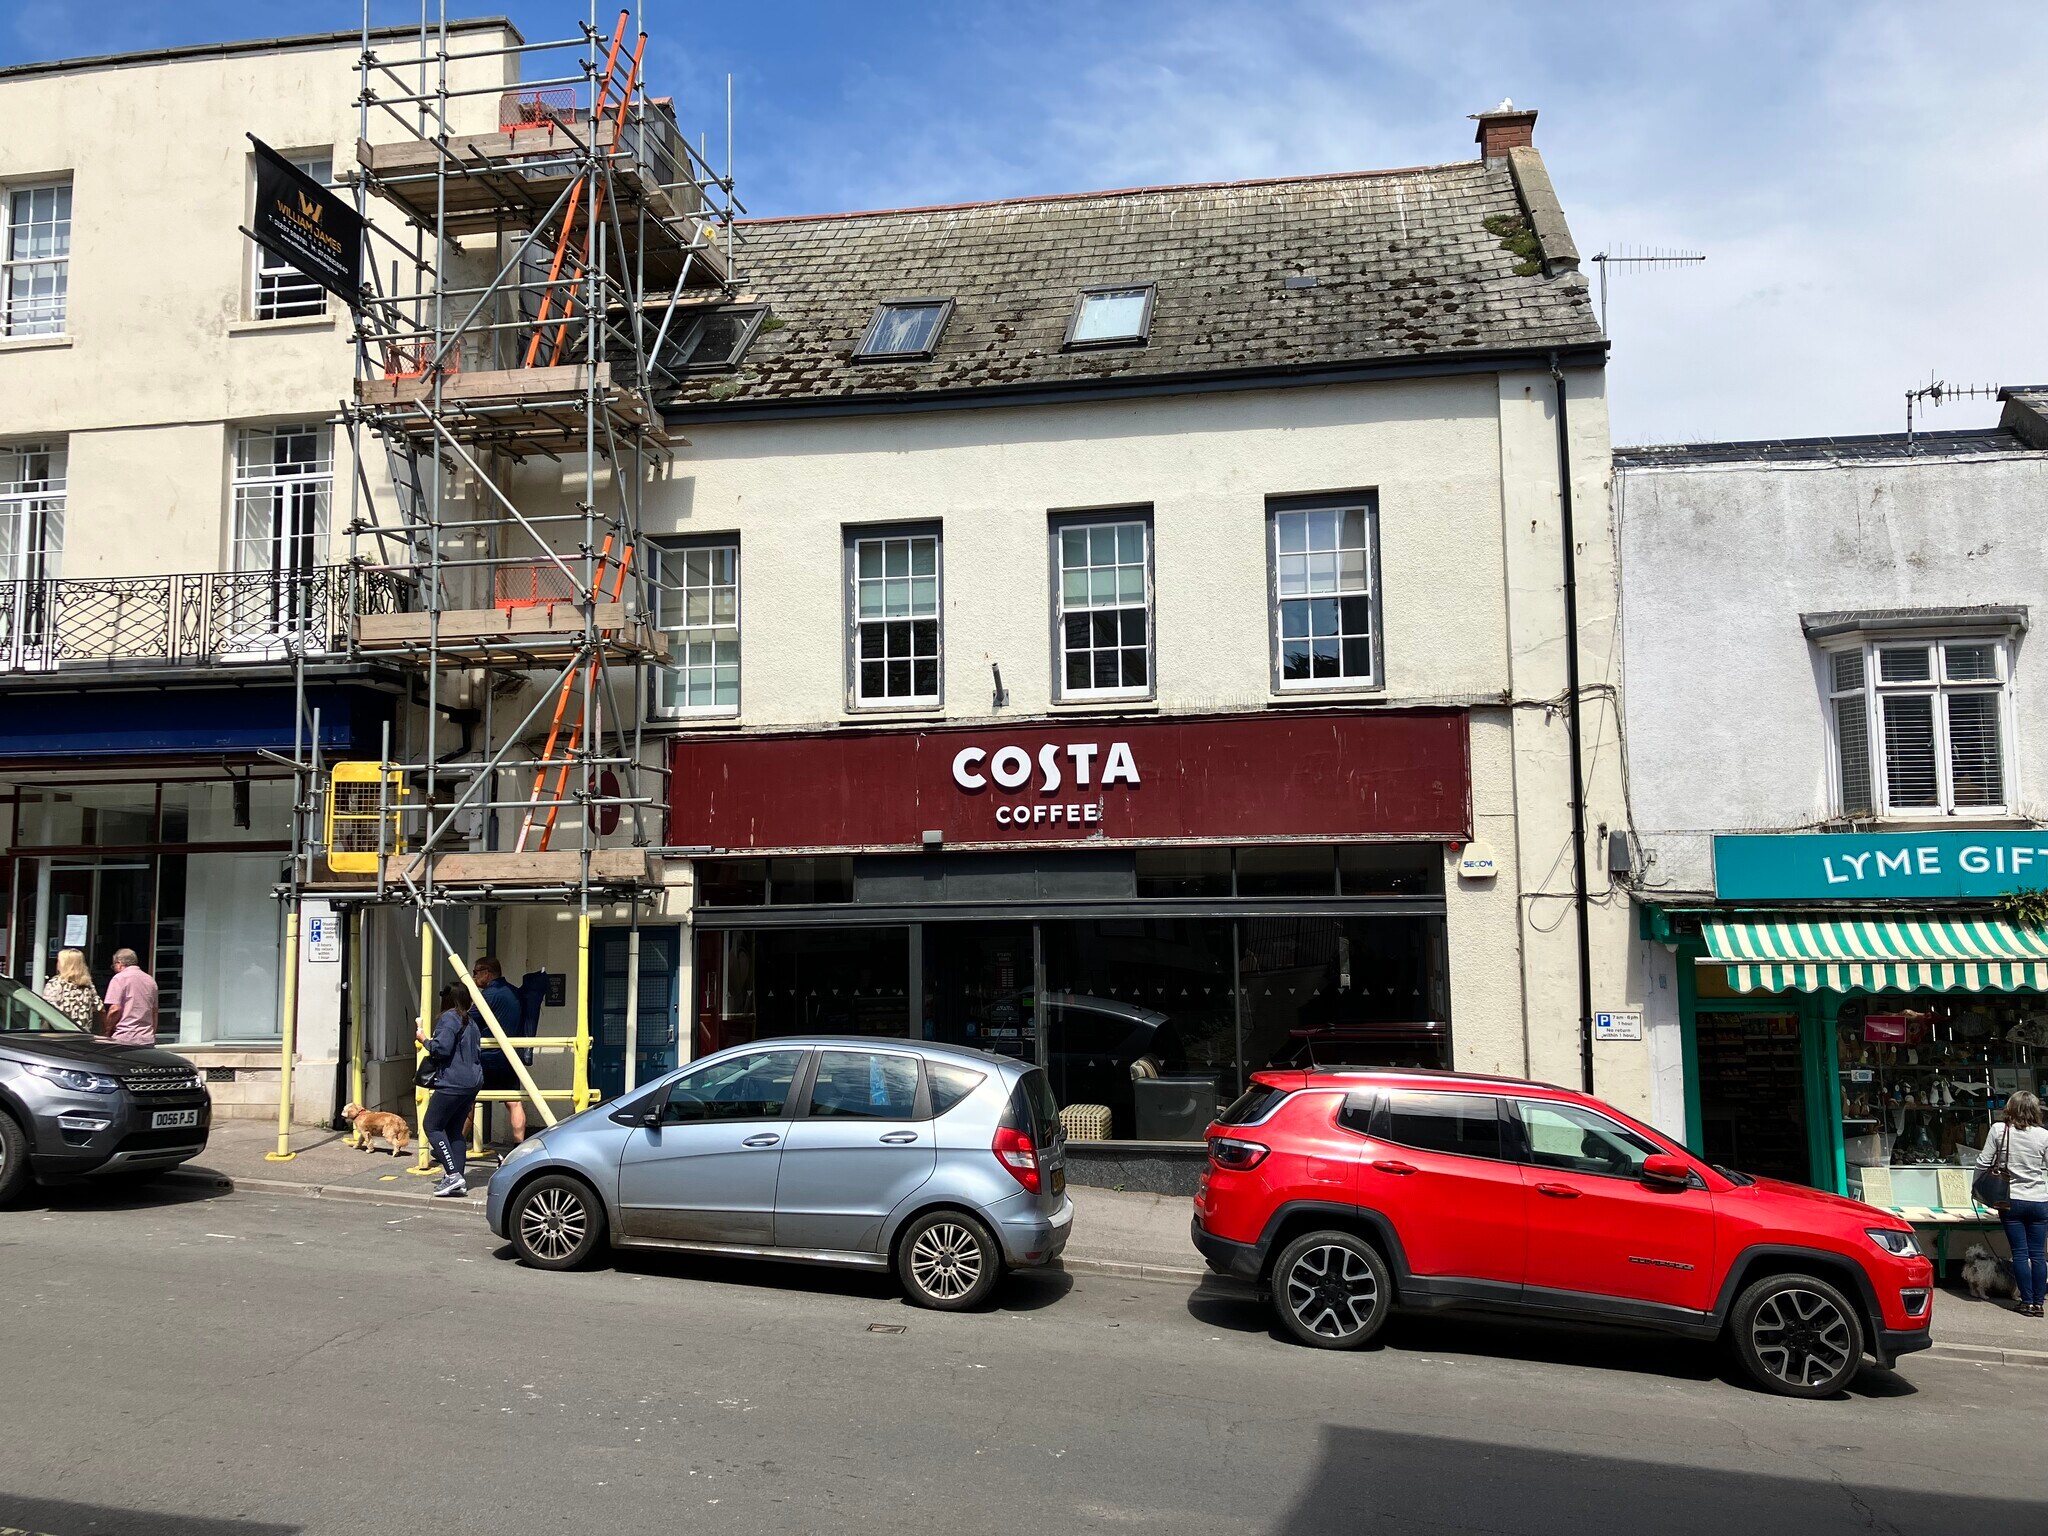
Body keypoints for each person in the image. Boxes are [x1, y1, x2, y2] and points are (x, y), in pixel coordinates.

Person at [1978, 1089, 2048, 1318]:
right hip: (2039, 1200)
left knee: (2019, 1253)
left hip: (2011, 1200)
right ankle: (2039, 1303)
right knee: (2038, 1254)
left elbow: (1983, 1162)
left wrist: (1976, 1188)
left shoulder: (2000, 1129)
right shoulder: (2044, 1135)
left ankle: (2026, 1301)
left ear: (2010, 1108)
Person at [418, 982, 483, 1198]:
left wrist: (425, 1040)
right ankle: (459, 1179)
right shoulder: (471, 1021)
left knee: (432, 1125)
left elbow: (442, 1049)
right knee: (455, 1130)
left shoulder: (449, 1018)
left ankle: (453, 1174)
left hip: (453, 1082)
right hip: (472, 1082)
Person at [470, 956, 533, 1145]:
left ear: (486, 973)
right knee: (514, 1101)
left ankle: (451, 1147)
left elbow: (469, 1020)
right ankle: (518, 1145)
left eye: (475, 972)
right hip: (511, 1056)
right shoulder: (514, 992)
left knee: (467, 1099)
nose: (473, 977)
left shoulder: (488, 995)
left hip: (488, 1057)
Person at [100, 948, 159, 1046]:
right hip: (147, 1038)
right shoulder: (150, 980)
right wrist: (152, 1033)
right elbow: (154, 1012)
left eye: (114, 965)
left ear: (119, 963)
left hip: (124, 1037)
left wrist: (106, 1030)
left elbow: (115, 1009)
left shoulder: (119, 978)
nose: (114, 968)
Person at [41, 948, 102, 1033]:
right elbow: (99, 1008)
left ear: (64, 964)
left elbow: (45, 1010)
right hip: (83, 1034)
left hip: (60, 1035)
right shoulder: (88, 986)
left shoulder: (55, 984)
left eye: (58, 961)